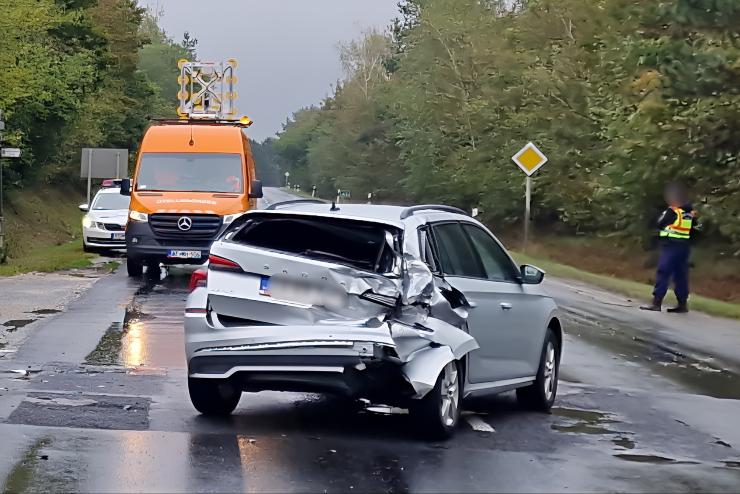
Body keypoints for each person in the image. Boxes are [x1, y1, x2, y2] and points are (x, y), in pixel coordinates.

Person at [641, 183, 696, 313]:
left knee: (663, 272)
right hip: (684, 247)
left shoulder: (672, 211)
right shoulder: (690, 212)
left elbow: (660, 223)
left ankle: (656, 303)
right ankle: (682, 304)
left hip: (671, 246)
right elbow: (695, 230)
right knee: (681, 275)